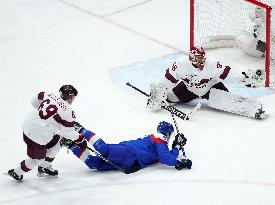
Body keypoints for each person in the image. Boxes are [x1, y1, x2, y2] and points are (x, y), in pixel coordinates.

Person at [147, 46, 268, 119]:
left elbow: (228, 73)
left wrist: (245, 76)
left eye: (203, 58)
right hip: (189, 88)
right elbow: (168, 79)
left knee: (225, 101)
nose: (202, 61)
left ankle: (254, 109)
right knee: (170, 98)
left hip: (211, 87)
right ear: (192, 59)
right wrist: (158, 93)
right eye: (199, 59)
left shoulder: (212, 64)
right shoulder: (181, 64)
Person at [7, 85, 84, 181]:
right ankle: (16, 172)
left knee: (55, 146)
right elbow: (67, 132)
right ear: (69, 97)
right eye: (73, 98)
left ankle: (44, 167)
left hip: (29, 125)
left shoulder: (47, 94)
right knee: (37, 160)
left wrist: (45, 119)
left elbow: (34, 102)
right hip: (37, 136)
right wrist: (79, 139)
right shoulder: (68, 111)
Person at [61, 121, 192, 173]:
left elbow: (166, 155)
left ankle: (70, 145)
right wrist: (178, 162)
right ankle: (81, 129)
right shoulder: (160, 138)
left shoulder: (160, 144)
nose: (170, 137)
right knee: (104, 149)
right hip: (129, 153)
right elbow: (165, 158)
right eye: (171, 135)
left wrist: (176, 147)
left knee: (96, 164)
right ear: (167, 133)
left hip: (130, 161)